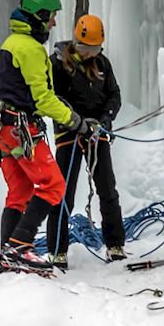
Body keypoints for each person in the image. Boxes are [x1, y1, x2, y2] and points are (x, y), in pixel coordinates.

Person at [0, 0, 99, 275]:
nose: (54, 23)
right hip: (21, 132)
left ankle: (7, 256)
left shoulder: (11, 42)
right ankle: (19, 247)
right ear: (40, 16)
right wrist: (76, 122)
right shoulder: (31, 48)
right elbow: (42, 99)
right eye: (52, 17)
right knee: (54, 185)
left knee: (20, 191)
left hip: (4, 131)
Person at [43, 14, 126, 270]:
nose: (91, 54)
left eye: (95, 49)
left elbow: (114, 95)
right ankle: (57, 251)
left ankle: (115, 245)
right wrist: (77, 122)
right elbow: (53, 97)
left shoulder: (102, 64)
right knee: (62, 192)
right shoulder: (57, 64)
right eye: (86, 49)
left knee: (107, 190)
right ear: (76, 43)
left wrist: (104, 120)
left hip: (97, 134)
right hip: (69, 135)